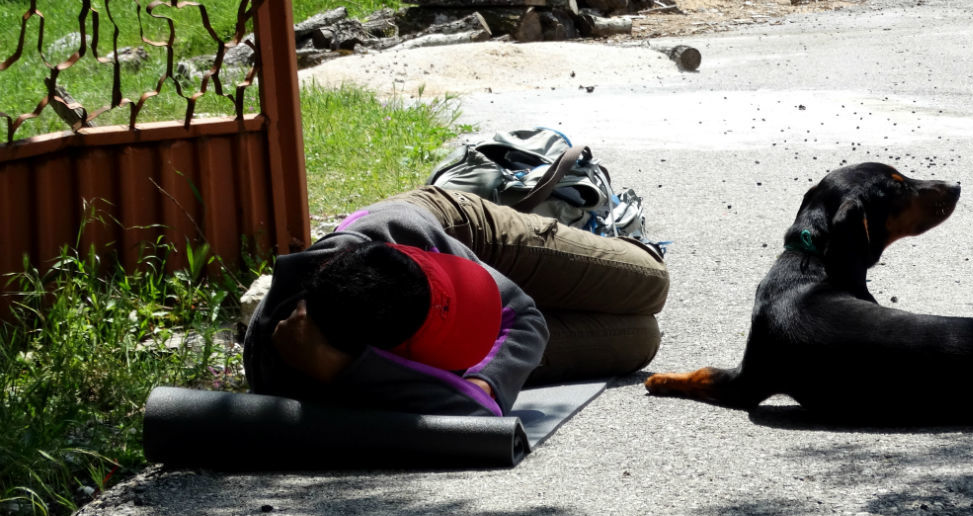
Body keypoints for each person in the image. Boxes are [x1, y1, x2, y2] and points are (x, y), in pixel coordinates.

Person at [243, 185, 669, 418]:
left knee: (650, 284)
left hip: (458, 232)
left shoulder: (400, 237)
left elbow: (519, 311)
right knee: (640, 339)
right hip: (391, 323)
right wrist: (484, 388)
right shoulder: (296, 378)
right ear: (382, 359)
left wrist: (482, 383)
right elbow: (476, 410)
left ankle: (584, 236)